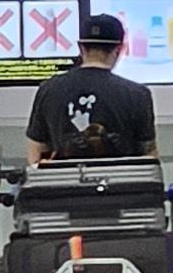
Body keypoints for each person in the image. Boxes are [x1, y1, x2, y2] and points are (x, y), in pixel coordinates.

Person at [25, 11, 155, 166]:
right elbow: (149, 158)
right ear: (119, 49)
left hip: (64, 181)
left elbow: (36, 156)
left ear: (81, 48)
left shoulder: (48, 90)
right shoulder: (138, 95)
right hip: (121, 181)